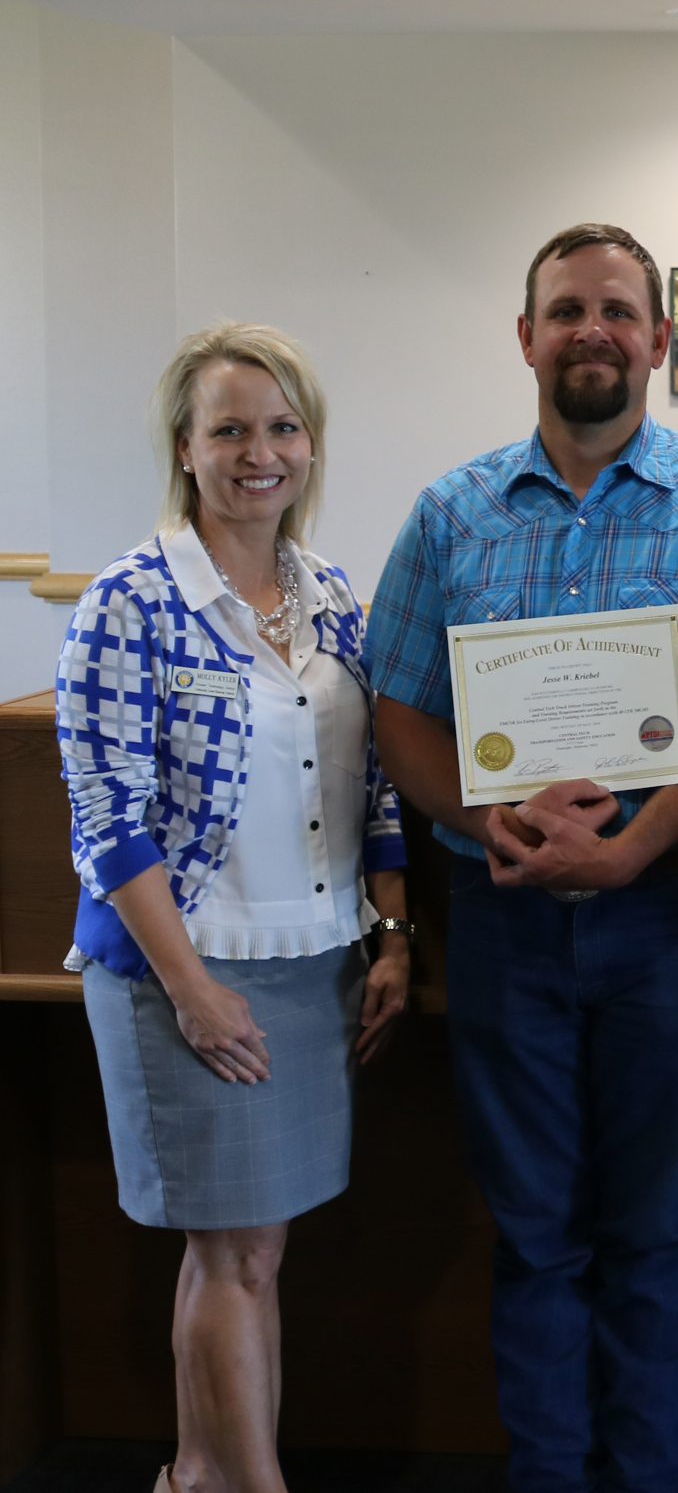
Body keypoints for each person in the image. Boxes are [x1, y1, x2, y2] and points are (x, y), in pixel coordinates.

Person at [369, 223, 678, 1493]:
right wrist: (472, 815)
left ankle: (653, 1477)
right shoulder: (452, 512)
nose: (592, 331)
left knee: (663, 1232)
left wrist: (640, 843)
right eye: (566, 310)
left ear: (661, 339)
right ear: (526, 338)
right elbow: (400, 702)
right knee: (535, 1237)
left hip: (675, 914)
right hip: (502, 917)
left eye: (619, 309)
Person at [57, 322, 410, 1493]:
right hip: (188, 968)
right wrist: (194, 991)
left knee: (256, 1253)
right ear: (185, 446)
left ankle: (202, 1476)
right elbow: (108, 818)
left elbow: (379, 789)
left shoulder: (332, 594)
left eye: (282, 427)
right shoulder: (130, 601)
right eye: (230, 429)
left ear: (311, 444)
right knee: (234, 1251)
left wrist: (392, 933)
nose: (260, 452)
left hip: (314, 964)